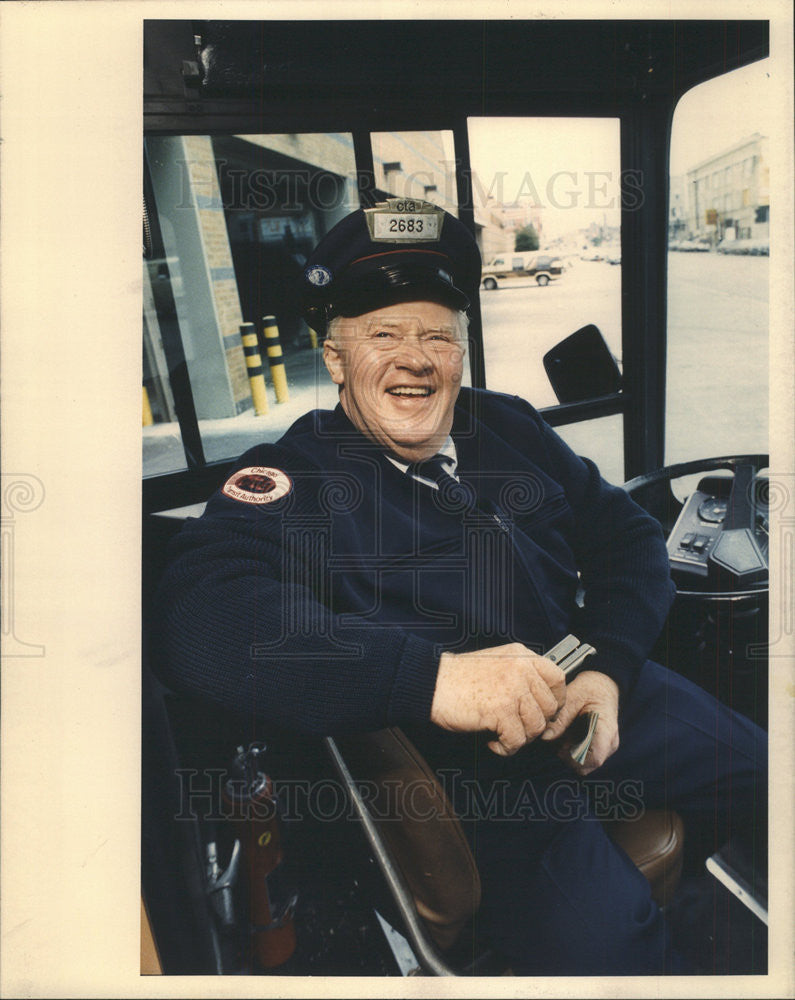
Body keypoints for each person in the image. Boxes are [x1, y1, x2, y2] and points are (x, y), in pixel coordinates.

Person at [152, 200, 767, 975]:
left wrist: (608, 669)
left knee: (768, 778)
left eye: (437, 335)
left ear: (461, 354)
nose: (415, 359)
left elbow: (627, 539)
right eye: (383, 335)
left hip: (600, 695)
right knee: (620, 960)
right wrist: (431, 678)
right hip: (484, 782)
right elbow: (197, 613)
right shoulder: (297, 479)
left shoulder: (503, 427)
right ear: (336, 359)